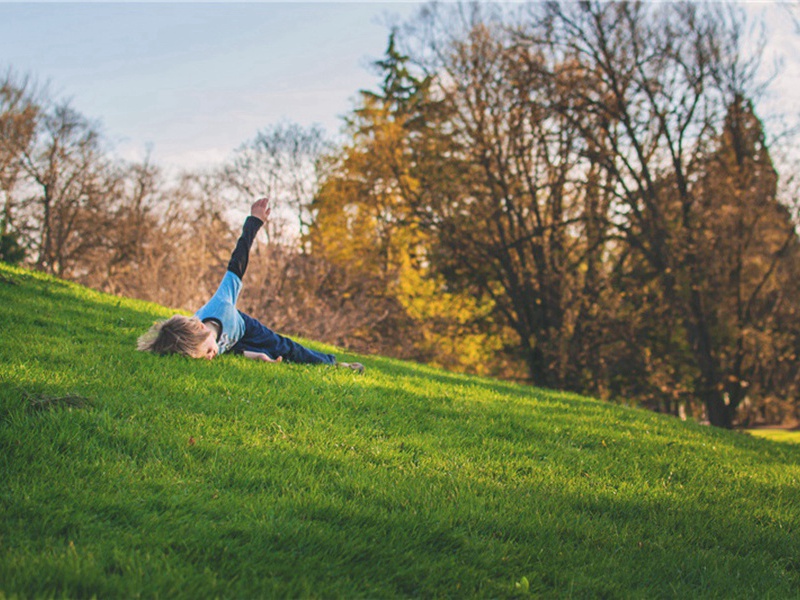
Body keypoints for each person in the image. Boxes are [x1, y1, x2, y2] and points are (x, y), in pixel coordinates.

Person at [137, 197, 364, 373]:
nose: (210, 357)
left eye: (206, 352)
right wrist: (255, 356)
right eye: (204, 356)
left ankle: (334, 365)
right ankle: (265, 355)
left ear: (201, 328)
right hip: (234, 341)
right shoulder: (207, 343)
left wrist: (254, 221)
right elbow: (228, 349)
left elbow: (238, 262)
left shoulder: (221, 305)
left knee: (287, 349)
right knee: (266, 355)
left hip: (244, 327)